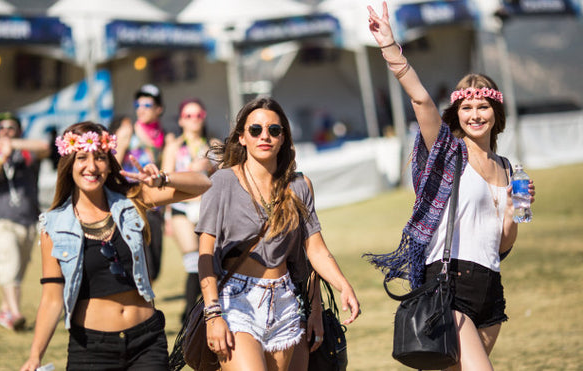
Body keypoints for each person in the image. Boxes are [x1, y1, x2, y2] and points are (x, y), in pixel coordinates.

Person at [364, 3, 536, 371]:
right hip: (448, 284)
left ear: (496, 114)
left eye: (483, 106)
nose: (475, 114)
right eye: (467, 107)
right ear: (456, 114)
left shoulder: (513, 169)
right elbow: (420, 99)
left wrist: (513, 211)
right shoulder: (446, 153)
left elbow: (503, 244)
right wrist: (389, 45)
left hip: (490, 290)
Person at [19, 121, 211, 370]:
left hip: (147, 342)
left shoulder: (133, 198)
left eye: (100, 157)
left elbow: (204, 183)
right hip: (91, 349)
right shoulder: (53, 226)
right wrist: (35, 355)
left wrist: (161, 178)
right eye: (81, 158)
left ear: (109, 164)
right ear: (69, 165)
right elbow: (52, 299)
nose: (91, 166)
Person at [195, 97, 360, 370]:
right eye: (255, 130)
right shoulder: (222, 183)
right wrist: (213, 314)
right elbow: (205, 254)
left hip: (286, 301)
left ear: (283, 138)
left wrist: (342, 287)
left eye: (274, 130)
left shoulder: (299, 186)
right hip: (237, 300)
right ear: (242, 137)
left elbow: (314, 251)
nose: (265, 136)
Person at [0, 112, 50, 331]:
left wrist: (14, 144)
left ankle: (5, 311)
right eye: (1, 128)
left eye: (11, 127)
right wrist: (2, 156)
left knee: (18, 270)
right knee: (8, 265)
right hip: (3, 219)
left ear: (19, 131)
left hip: (29, 219)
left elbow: (44, 146)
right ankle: (15, 313)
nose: (5, 131)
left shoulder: (27, 154)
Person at [162, 98, 219, 324]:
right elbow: (164, 178)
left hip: (206, 207)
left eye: (197, 115)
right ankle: (189, 314)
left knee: (209, 259)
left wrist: (212, 166)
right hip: (181, 208)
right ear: (180, 120)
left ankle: (196, 311)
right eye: (188, 116)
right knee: (193, 260)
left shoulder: (212, 144)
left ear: (203, 117)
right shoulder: (174, 146)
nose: (193, 120)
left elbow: (224, 176)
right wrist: (190, 170)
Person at [114, 84, 169, 281]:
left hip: (155, 205)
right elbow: (114, 165)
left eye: (147, 104)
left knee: (155, 266)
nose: (141, 108)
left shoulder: (164, 136)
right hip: (132, 202)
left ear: (159, 109)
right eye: (138, 104)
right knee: (143, 264)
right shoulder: (128, 131)